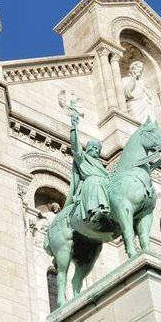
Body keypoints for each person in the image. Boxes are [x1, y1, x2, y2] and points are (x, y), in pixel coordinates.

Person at [59, 93, 110, 225]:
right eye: (93, 148)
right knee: (94, 180)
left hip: (104, 183)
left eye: (98, 149)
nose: (96, 150)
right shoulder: (83, 159)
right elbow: (75, 148)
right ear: (88, 149)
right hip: (91, 184)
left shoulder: (101, 166)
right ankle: (95, 211)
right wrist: (74, 127)